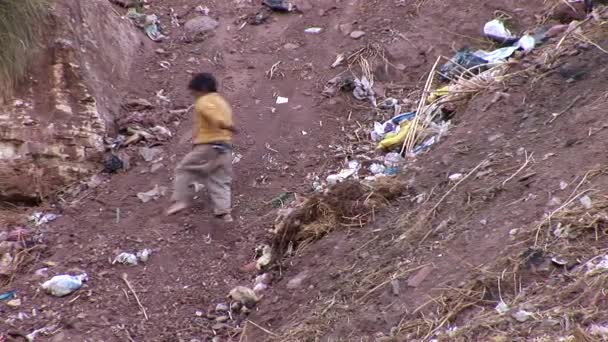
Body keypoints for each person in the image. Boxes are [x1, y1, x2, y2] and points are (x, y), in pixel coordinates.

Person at [166, 73, 236, 222]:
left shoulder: (204, 101)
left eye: (194, 93)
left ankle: (181, 200)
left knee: (183, 169)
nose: (194, 97)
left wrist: (222, 124)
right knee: (219, 179)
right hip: (225, 148)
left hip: (208, 146)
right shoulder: (223, 102)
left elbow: (212, 115)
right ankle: (224, 213)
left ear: (202, 89)